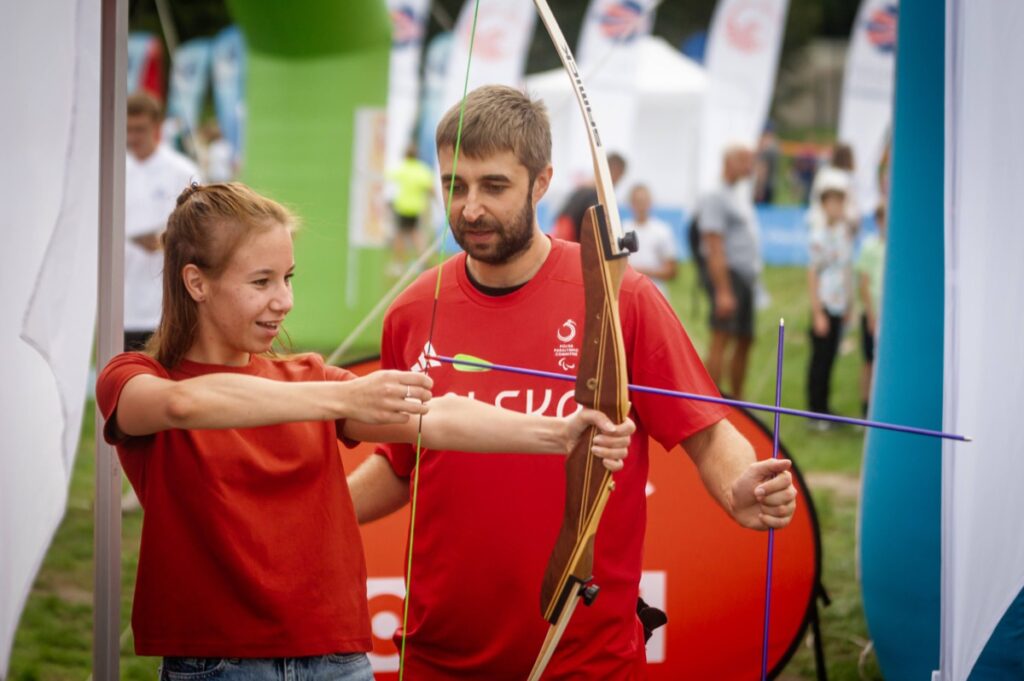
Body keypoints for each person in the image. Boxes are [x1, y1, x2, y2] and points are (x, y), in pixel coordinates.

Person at [96, 182, 634, 681]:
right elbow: (184, 405)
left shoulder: (307, 378)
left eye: (287, 278)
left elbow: (434, 417)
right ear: (197, 282)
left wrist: (562, 434)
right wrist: (344, 397)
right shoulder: (136, 379)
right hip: (219, 663)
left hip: (337, 657)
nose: (283, 300)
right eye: (260, 282)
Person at [346, 86, 798, 679]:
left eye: (494, 185)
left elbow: (706, 433)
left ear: (541, 182)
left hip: (584, 658)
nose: (470, 207)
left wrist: (739, 485)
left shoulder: (619, 298)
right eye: (454, 185)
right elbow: (402, 464)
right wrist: (313, 512)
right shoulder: (412, 309)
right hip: (437, 656)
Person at [124, 91, 200, 352]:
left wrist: (163, 240)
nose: (132, 137)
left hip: (167, 302)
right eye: (128, 130)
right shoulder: (114, 169)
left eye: (139, 129)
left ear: (156, 127)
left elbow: (203, 227)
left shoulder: (182, 170)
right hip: (124, 302)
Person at [697, 145, 760, 399]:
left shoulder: (738, 194)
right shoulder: (715, 196)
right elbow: (713, 244)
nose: (750, 166)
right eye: (744, 160)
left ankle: (737, 402)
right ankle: (712, 401)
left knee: (745, 338)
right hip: (727, 276)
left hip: (743, 278)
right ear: (729, 162)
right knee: (722, 337)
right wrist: (723, 290)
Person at [806, 176, 855, 424]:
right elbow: (813, 273)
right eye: (832, 202)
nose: (837, 208)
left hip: (840, 302)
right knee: (820, 359)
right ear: (824, 205)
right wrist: (817, 312)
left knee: (831, 357)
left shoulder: (843, 232)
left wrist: (850, 303)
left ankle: (825, 406)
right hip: (825, 302)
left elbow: (846, 268)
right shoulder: (819, 236)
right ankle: (814, 411)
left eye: (840, 203)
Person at [551, 151, 626, 242]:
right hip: (572, 246)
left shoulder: (596, 195)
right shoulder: (588, 194)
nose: (618, 180)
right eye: (619, 174)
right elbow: (564, 226)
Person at [855, 203, 887, 415]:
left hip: (888, 316)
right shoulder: (869, 247)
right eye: (883, 219)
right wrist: (871, 314)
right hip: (872, 314)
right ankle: (865, 406)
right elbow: (864, 284)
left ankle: (880, 405)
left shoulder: (897, 250)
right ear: (877, 222)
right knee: (868, 361)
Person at [385, 143, 435, 274]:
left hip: (402, 208)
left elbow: (388, 177)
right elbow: (431, 189)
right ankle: (423, 263)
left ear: (406, 156)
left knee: (400, 237)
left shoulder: (403, 168)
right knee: (416, 236)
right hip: (416, 209)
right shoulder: (422, 170)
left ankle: (398, 265)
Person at [623, 184, 677, 295]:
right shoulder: (622, 229)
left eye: (643, 201)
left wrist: (638, 272)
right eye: (637, 201)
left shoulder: (662, 230)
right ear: (631, 204)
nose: (641, 206)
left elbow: (672, 270)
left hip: (655, 293)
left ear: (650, 202)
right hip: (629, 293)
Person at [807, 142, 860, 232]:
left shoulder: (824, 173)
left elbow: (813, 199)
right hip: (832, 226)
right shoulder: (846, 178)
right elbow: (852, 208)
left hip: (822, 224)